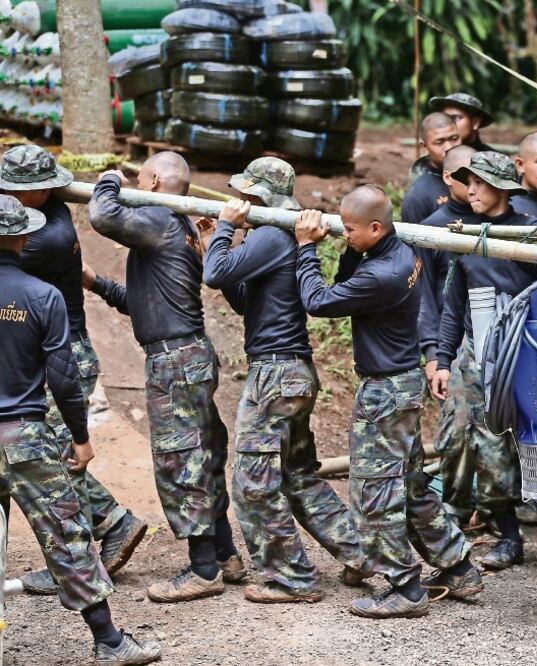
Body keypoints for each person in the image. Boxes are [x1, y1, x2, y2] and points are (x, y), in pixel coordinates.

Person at [295, 185, 482, 618]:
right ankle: (458, 567)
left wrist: (306, 249)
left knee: (374, 492)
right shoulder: (399, 253)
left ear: (376, 227)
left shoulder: (382, 274)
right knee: (413, 484)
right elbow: (347, 283)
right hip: (402, 387)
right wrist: (347, 247)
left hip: (384, 392)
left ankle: (404, 587)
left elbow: (318, 301)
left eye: (351, 229)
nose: (345, 234)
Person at [199, 158, 370, 603]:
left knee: (252, 484)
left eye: (247, 194)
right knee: (299, 476)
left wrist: (222, 228)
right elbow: (239, 298)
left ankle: (292, 577)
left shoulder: (274, 234)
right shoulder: (272, 237)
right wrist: (214, 239)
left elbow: (215, 273)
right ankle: (362, 552)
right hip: (292, 371)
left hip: (275, 374)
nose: (240, 200)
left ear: (262, 197)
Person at [0, 194, 161, 664]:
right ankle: (109, 642)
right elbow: (64, 379)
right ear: (24, 238)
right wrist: (81, 438)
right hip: (24, 437)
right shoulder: (43, 297)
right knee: (68, 536)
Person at [431, 152, 537, 582]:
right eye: (467, 183)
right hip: (480, 362)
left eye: (478, 184)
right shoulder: (466, 239)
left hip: (532, 362)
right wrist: (443, 360)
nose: (470, 192)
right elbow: (454, 307)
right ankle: (508, 537)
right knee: (488, 451)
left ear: (500, 188)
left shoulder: (533, 235)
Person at [86, 153, 240, 603]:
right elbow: (145, 303)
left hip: (175, 361)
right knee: (204, 455)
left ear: (153, 182)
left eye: (138, 177)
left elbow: (102, 213)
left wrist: (109, 180)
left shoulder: (159, 215)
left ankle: (203, 569)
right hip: (188, 352)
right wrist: (94, 282)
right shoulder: (185, 228)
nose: (134, 182)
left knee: (180, 460)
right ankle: (226, 554)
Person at [418, 145, 479, 527]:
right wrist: (433, 355)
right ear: (448, 179)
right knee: (455, 431)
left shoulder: (500, 227)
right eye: (466, 178)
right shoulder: (432, 227)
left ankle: (490, 505)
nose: (474, 187)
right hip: (450, 343)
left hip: (496, 344)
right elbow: (424, 297)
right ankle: (455, 505)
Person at [402, 112, 462, 223]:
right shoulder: (417, 196)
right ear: (424, 146)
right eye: (440, 142)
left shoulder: (477, 177)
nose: (449, 147)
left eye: (454, 138)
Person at [428, 92, 494, 151]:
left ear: (475, 123)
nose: (448, 124)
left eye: (456, 118)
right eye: (445, 118)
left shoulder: (492, 161)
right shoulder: (438, 158)